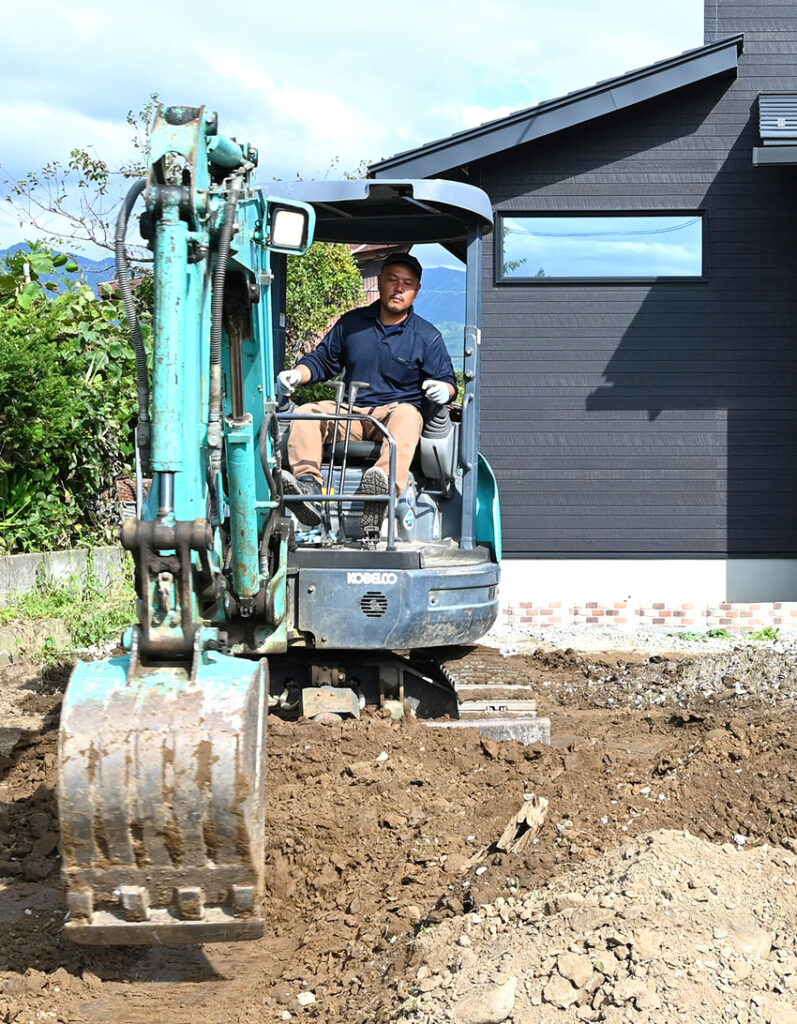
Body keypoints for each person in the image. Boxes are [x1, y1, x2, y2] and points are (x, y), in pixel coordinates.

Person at [277, 252, 455, 537]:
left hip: (395, 414)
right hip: (352, 412)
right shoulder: (352, 324)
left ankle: (381, 489)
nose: (399, 288)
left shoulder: (427, 336)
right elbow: (322, 361)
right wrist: (297, 374)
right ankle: (308, 489)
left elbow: (448, 381)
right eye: (393, 280)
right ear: (380, 282)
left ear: (416, 291)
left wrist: (443, 390)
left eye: (407, 283)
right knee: (307, 412)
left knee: (410, 415)